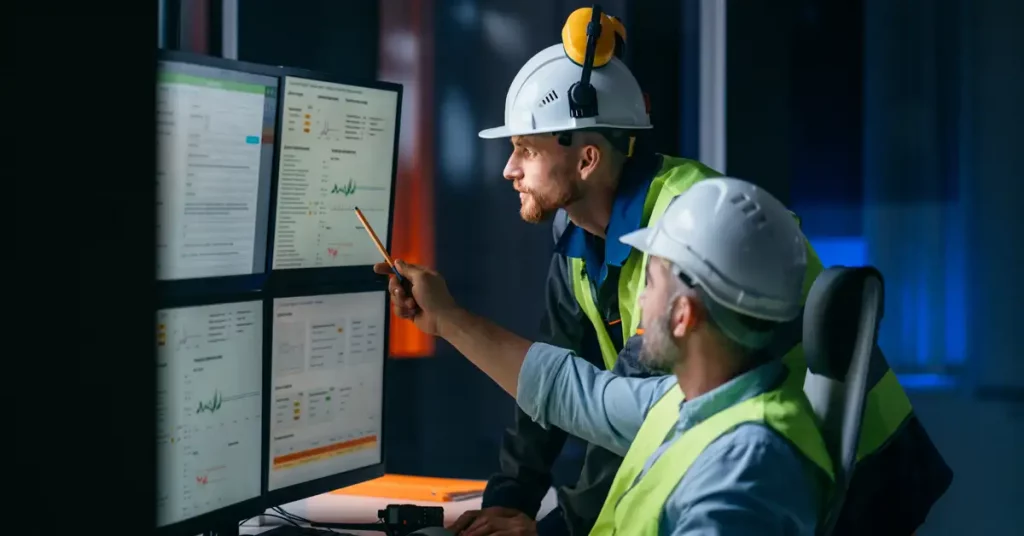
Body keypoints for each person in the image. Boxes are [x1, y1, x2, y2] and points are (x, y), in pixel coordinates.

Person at [449, 7, 951, 536]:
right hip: (762, 452)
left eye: (525, 150)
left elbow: (637, 424)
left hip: (829, 464)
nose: (509, 169)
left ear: (587, 159)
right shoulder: (579, 234)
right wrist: (511, 500)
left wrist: (554, 529)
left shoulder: (689, 228)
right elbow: (571, 384)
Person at [378, 178, 835, 535]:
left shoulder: (746, 469)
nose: (639, 303)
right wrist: (447, 319)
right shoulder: (693, 402)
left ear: (682, 316)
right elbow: (577, 394)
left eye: (650, 283)